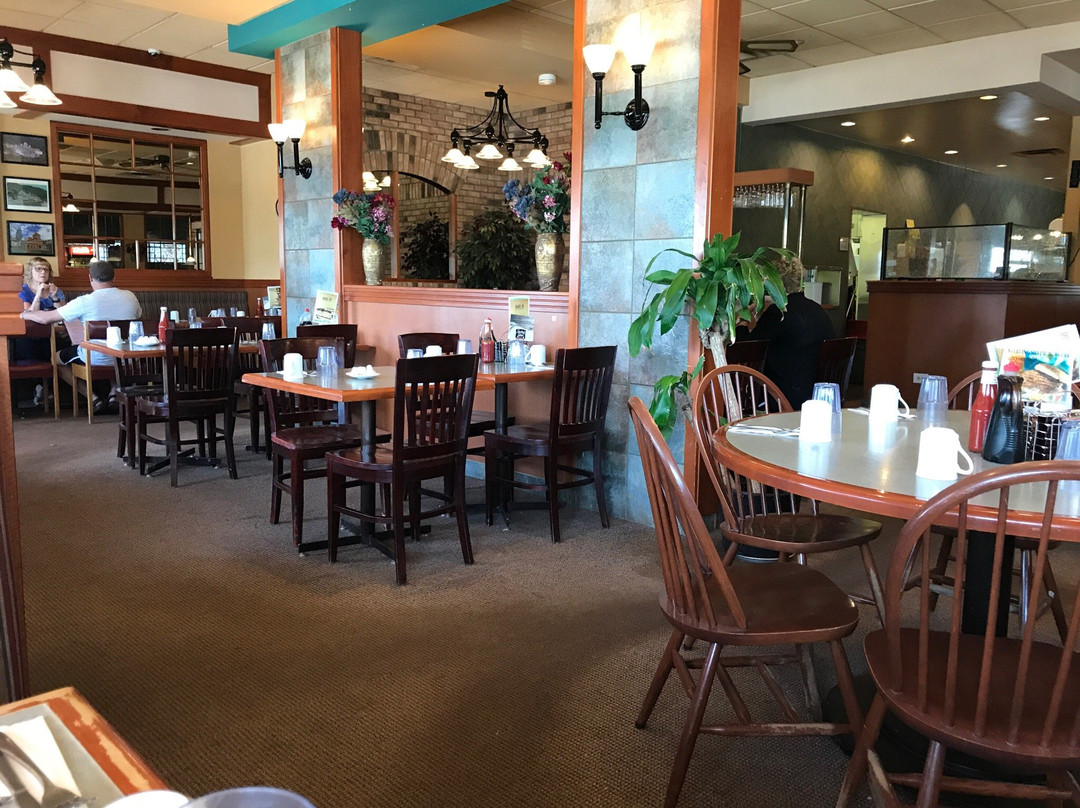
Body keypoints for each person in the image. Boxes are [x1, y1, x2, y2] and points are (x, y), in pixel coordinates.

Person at [21, 259, 141, 413]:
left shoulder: (85, 301)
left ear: (90, 278)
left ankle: (93, 398)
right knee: (112, 347)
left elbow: (45, 319)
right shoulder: (131, 297)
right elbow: (138, 316)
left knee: (55, 358)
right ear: (114, 277)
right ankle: (113, 393)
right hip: (126, 358)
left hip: (95, 357)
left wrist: (26, 314)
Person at [737, 255, 834, 409]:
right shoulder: (818, 310)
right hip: (815, 397)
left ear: (774, 283)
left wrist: (743, 320)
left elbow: (746, 349)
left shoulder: (780, 313)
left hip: (780, 398)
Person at [12, 257, 65, 367]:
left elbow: (64, 315)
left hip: (54, 333)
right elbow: (29, 316)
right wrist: (38, 295)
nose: (43, 272)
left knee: (63, 342)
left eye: (46, 269)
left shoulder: (56, 290)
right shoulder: (23, 290)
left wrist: (55, 298)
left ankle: (55, 373)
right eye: (38, 269)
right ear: (30, 271)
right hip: (30, 335)